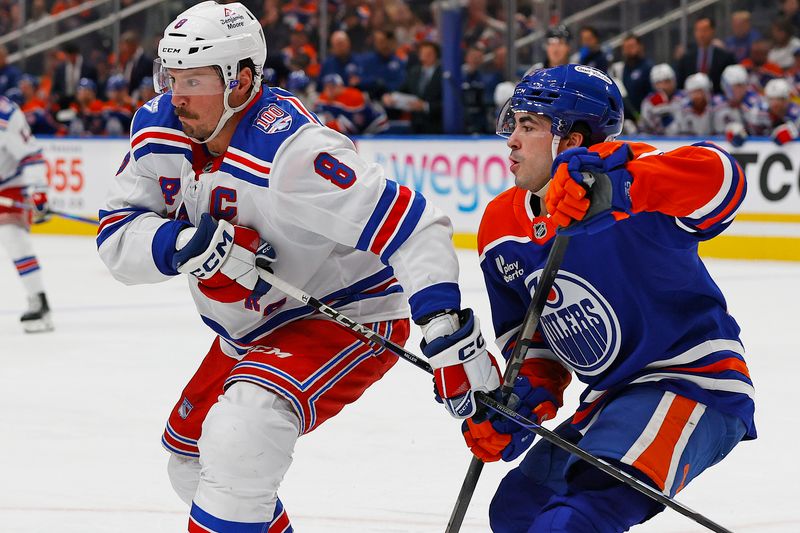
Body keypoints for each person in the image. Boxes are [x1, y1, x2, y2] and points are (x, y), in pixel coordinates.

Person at [96, 2, 499, 531]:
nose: (177, 95)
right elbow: (117, 230)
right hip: (253, 326)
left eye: (193, 80)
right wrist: (175, 241)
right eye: (170, 78)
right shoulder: (159, 129)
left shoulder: (294, 151)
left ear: (240, 81)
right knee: (191, 462)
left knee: (240, 438)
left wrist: (444, 325)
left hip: (344, 315)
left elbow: (415, 224)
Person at [466, 64, 755, 532]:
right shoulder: (500, 226)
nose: (512, 141)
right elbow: (535, 346)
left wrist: (622, 188)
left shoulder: (632, 173)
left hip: (693, 382)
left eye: (528, 126)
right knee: (516, 512)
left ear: (573, 140)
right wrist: (521, 403)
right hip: (608, 398)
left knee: (574, 520)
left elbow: (724, 180)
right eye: (513, 124)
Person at [0, 95, 53, 333]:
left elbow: (30, 154)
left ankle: (38, 300)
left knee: (14, 241)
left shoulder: (6, 114)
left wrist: (38, 190)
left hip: (9, 184)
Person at [749, 77, 800, 144]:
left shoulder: (797, 114)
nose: (775, 103)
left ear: (787, 99)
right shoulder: (758, 112)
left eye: (780, 99)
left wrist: (791, 133)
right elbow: (752, 134)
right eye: (771, 99)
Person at [638, 63, 681, 135]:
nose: (663, 86)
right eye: (658, 83)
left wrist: (667, 118)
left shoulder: (684, 99)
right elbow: (644, 128)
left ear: (674, 81)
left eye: (667, 81)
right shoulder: (648, 102)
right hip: (655, 142)